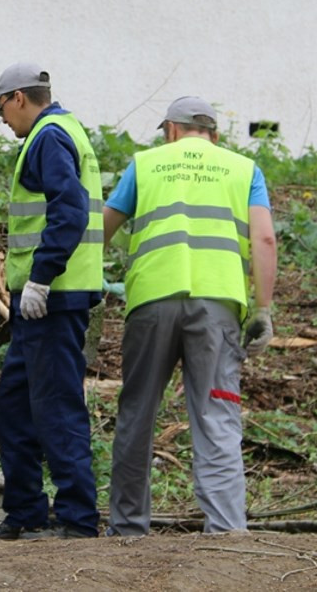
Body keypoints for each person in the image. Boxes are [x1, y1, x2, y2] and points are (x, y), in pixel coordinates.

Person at [103, 96, 277, 536]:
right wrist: (263, 309)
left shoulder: (146, 165)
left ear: (172, 131)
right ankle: (226, 531)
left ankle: (127, 529)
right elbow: (265, 240)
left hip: (152, 301)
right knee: (216, 415)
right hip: (218, 305)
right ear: (214, 135)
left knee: (138, 412)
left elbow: (101, 229)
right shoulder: (244, 170)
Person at [0, 62, 103, 540]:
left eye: (2, 111)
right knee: (15, 404)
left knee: (56, 406)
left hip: (52, 297)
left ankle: (77, 520)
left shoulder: (49, 136)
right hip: (46, 300)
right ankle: (27, 511)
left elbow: (68, 211)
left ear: (17, 98)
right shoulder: (61, 131)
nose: (4, 122)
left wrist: (42, 277)